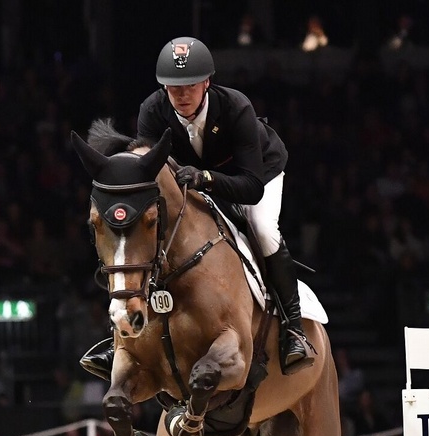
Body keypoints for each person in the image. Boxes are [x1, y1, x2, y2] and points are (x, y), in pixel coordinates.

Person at [80, 36, 317, 380]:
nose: (182, 94)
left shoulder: (235, 107)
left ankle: (293, 329)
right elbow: (150, 175)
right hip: (190, 180)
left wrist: (205, 178)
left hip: (255, 173)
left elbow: (250, 188)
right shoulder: (152, 110)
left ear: (207, 82)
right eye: (173, 87)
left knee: (263, 229)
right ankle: (122, 341)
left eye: (190, 85)